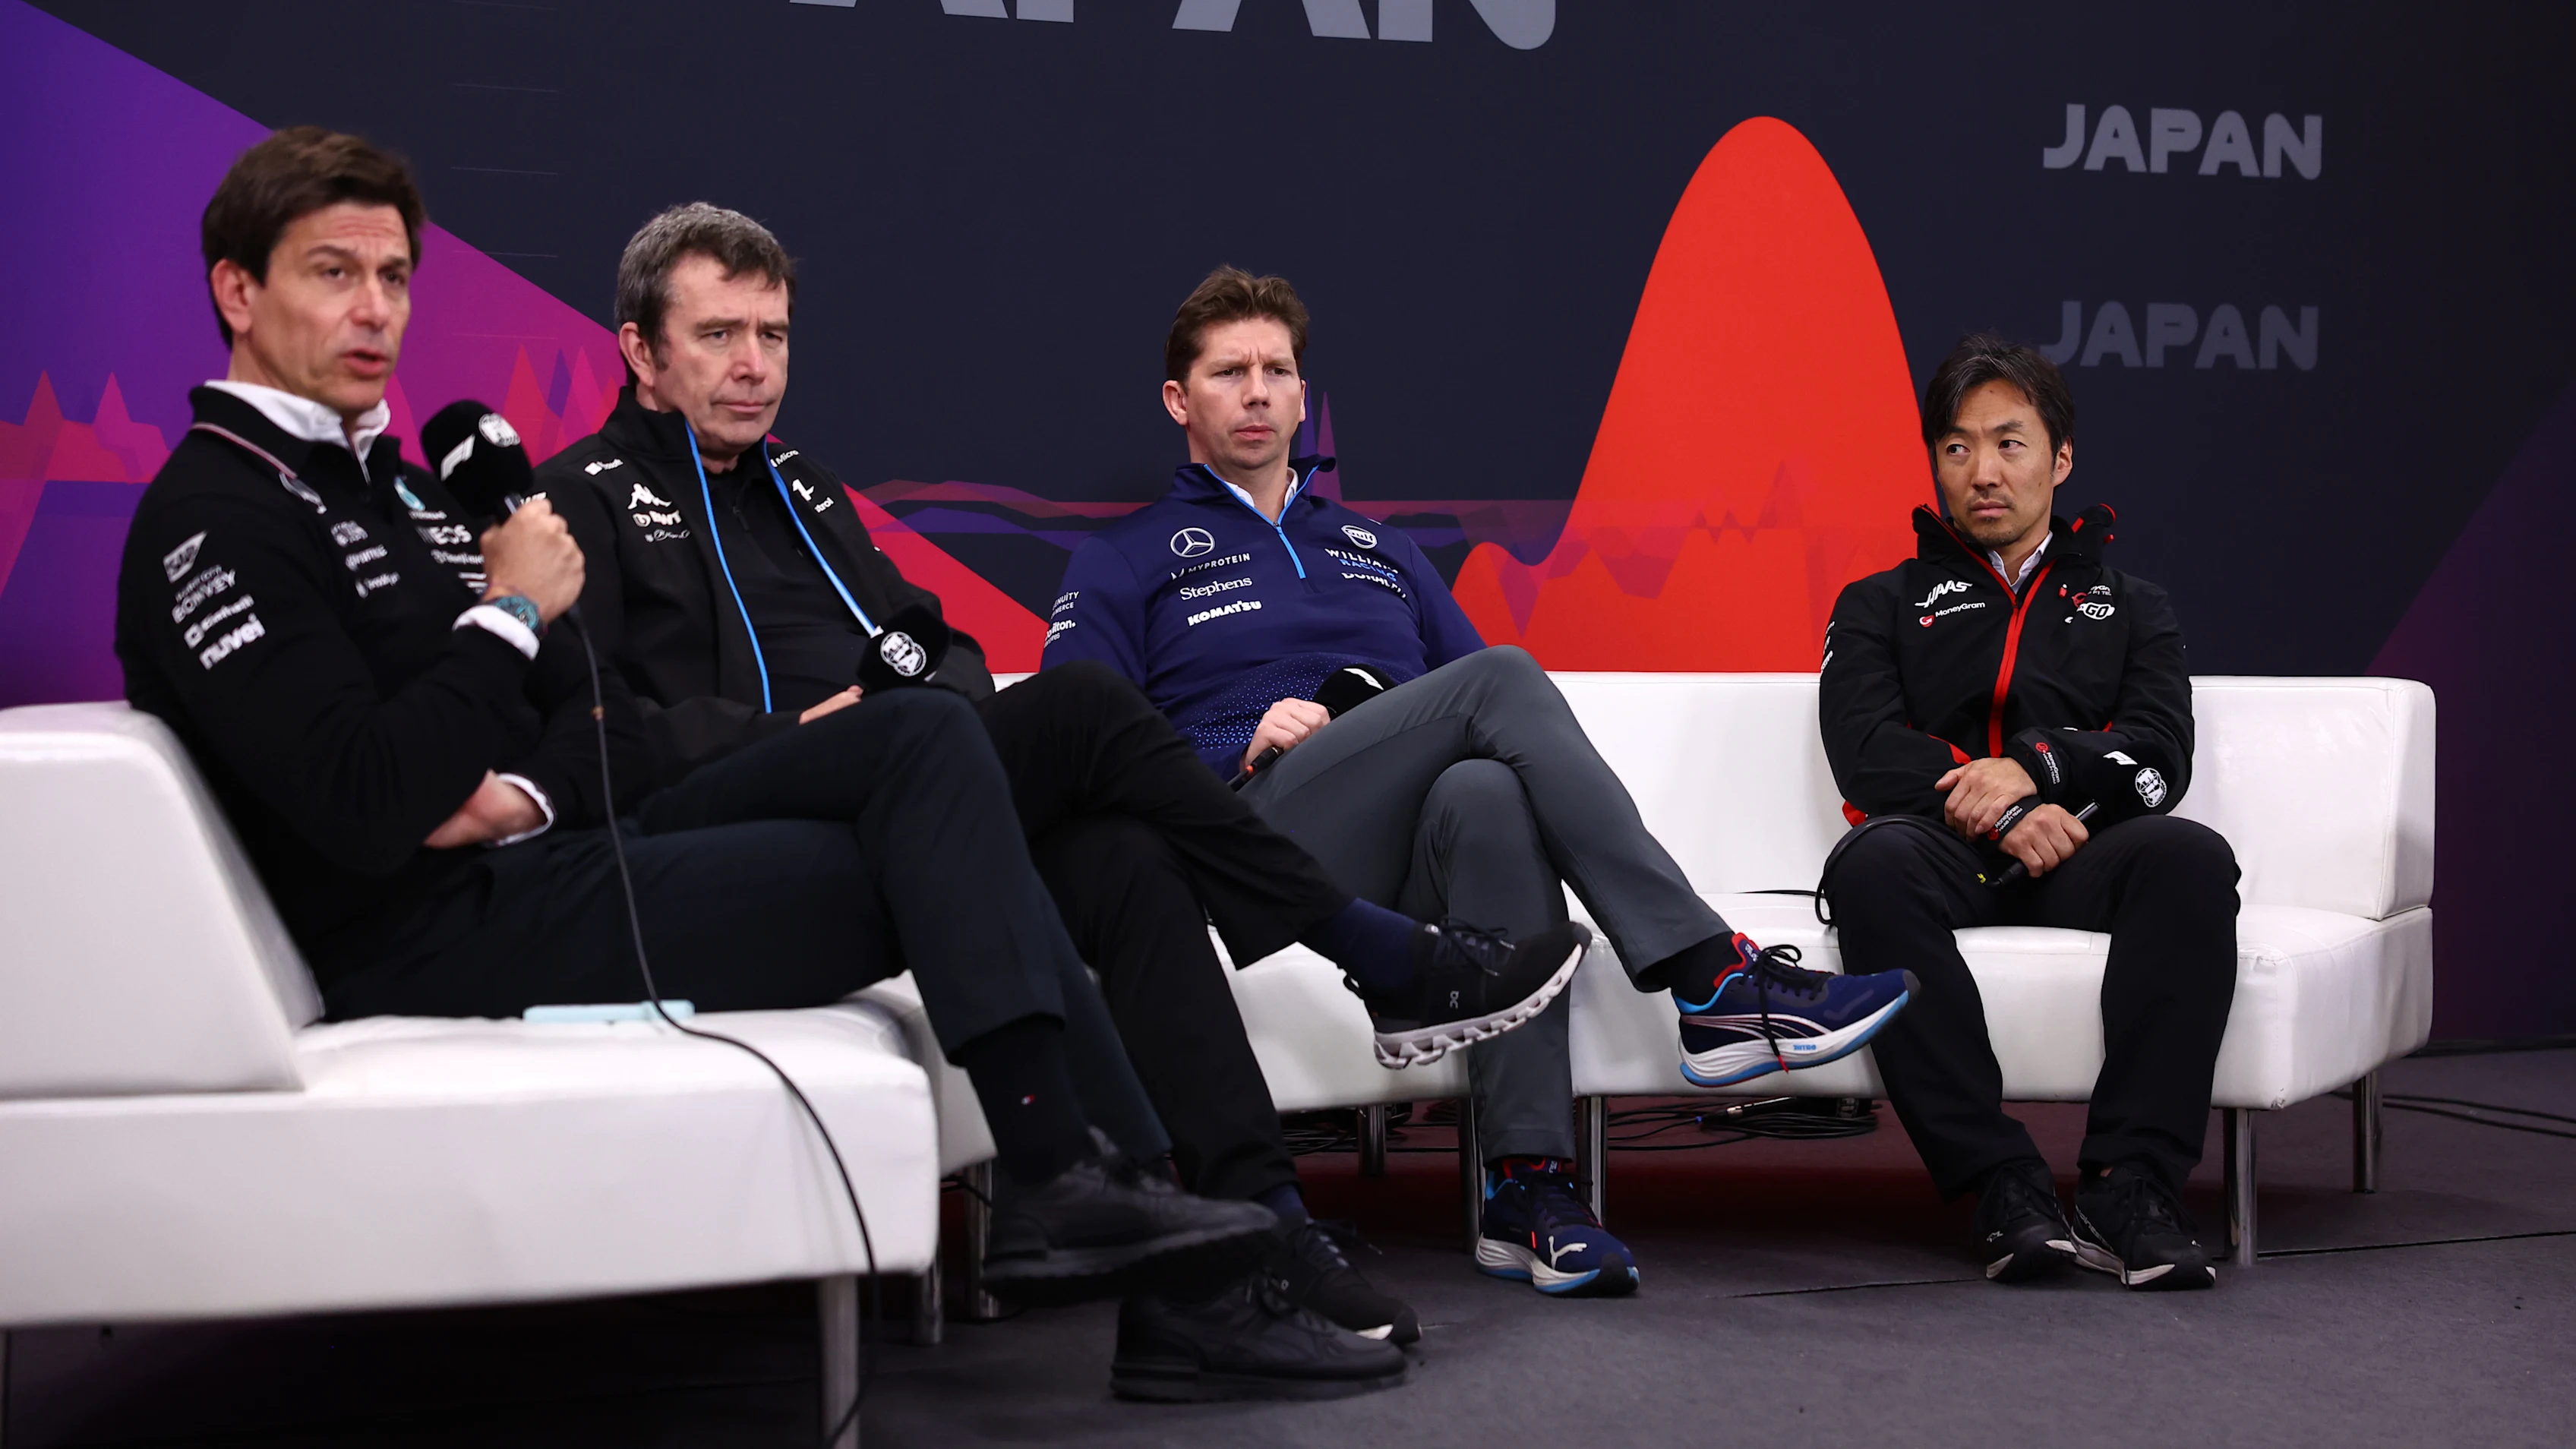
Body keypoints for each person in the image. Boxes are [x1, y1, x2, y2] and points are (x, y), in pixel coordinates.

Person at [113, 128, 1290, 1346]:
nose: (375, 311)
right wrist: (510, 615)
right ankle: (1142, 1242)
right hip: (430, 935)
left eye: (396, 277)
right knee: (947, 801)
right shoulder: (214, 516)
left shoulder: (394, 489)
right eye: (331, 273)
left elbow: (571, 714)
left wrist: (513, 784)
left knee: (933, 760)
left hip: (539, 859)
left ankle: (1108, 1200)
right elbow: (372, 802)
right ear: (238, 290)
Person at [538, 204, 1583, 1397]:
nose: (753, 365)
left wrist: (921, 708)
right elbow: (587, 735)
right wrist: (803, 733)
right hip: (729, 835)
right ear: (639, 349)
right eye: (719, 334)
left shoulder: (806, 494)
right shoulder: (581, 497)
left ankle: (1244, 1244)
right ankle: (1379, 954)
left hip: (900, 807)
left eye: (773, 335)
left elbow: (945, 654)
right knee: (1082, 707)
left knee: (1124, 859)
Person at [1043, 267, 1919, 1298]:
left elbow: (1486, 724)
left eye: (1277, 369)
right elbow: (1076, 744)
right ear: (1179, 402)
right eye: (1228, 371)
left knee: (1491, 796)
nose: (1258, 390)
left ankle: (1529, 1189)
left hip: (1399, 848)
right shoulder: (1127, 558)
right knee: (1502, 676)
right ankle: (1711, 980)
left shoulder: (1379, 549)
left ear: (1300, 392)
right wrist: (1232, 749)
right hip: (1245, 839)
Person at [1817, 333, 2238, 1291]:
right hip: (1942, 854)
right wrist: (1998, 810)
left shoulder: (2134, 606)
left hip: (2083, 851)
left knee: (2186, 858)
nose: (1982, 472)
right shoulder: (1877, 602)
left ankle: (2130, 1186)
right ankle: (2002, 1184)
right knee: (1867, 866)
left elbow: (2157, 758)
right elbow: (1868, 752)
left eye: (2009, 444)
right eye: (1957, 447)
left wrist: (2035, 772)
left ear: (2060, 458)